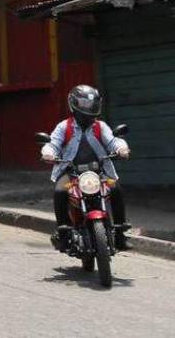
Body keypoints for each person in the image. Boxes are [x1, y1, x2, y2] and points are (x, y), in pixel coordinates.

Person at [40, 84, 130, 251]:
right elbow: (53, 144)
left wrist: (121, 148)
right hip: (71, 174)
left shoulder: (100, 126)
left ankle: (119, 234)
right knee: (60, 191)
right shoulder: (64, 126)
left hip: (98, 173)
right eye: (85, 104)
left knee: (115, 188)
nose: (90, 108)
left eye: (93, 104)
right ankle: (64, 232)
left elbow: (112, 141)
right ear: (74, 104)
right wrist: (48, 153)